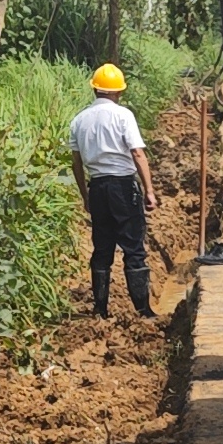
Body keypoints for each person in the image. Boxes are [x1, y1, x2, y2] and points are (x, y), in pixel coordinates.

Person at [69, 62, 153, 316]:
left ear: (95, 90)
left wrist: (85, 195)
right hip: (123, 186)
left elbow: (76, 162)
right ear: (118, 91)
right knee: (133, 247)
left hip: (97, 187)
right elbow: (137, 153)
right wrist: (149, 190)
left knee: (102, 248)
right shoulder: (123, 115)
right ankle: (143, 309)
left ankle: (100, 309)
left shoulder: (79, 120)